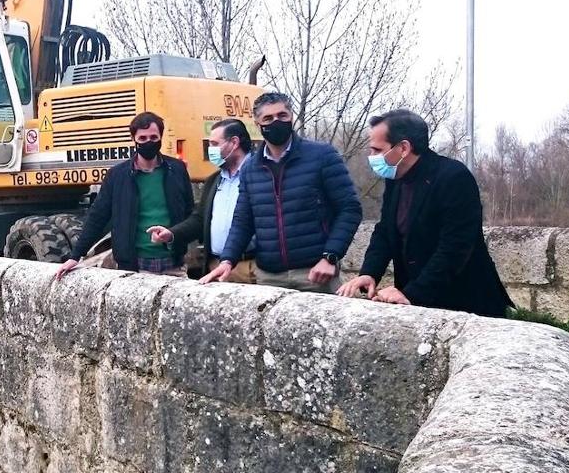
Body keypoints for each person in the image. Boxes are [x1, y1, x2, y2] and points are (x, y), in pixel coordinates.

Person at [338, 109, 513, 315]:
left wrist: (413, 294)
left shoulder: (453, 177)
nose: (372, 157)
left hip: (465, 303)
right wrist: (369, 273)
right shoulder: (396, 179)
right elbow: (385, 231)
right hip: (418, 303)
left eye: (377, 150)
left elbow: (455, 247)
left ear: (403, 148)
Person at [207, 92, 362, 293]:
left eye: (282, 116)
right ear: (258, 124)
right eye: (268, 118)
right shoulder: (251, 168)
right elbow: (243, 220)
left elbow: (350, 208)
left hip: (314, 273)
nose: (276, 122)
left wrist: (330, 256)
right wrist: (228, 260)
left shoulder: (322, 156)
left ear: (291, 117)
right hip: (268, 276)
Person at [56, 112, 194, 278]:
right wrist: (75, 256)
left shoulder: (177, 169)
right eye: (142, 139)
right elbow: (98, 216)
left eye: (153, 137)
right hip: (135, 267)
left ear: (161, 137)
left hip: (174, 265)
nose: (148, 142)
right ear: (133, 139)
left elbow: (190, 212)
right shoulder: (117, 175)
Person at [147, 118, 256, 283]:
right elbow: (200, 220)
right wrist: (172, 234)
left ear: (234, 143)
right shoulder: (214, 181)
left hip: (252, 267)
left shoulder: (261, 175)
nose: (210, 150)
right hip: (217, 267)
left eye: (214, 144)